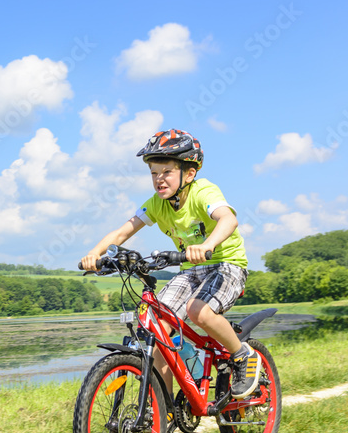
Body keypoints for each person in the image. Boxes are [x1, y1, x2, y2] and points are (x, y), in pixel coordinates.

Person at [80, 129, 259, 399]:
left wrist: (208, 245)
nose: (159, 179)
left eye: (166, 172)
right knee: (157, 332)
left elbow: (228, 219)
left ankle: (243, 355)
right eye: (153, 173)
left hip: (227, 265)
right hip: (190, 270)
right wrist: (94, 254)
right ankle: (164, 412)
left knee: (198, 311)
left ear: (189, 173)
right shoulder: (155, 204)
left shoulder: (202, 192)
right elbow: (122, 232)